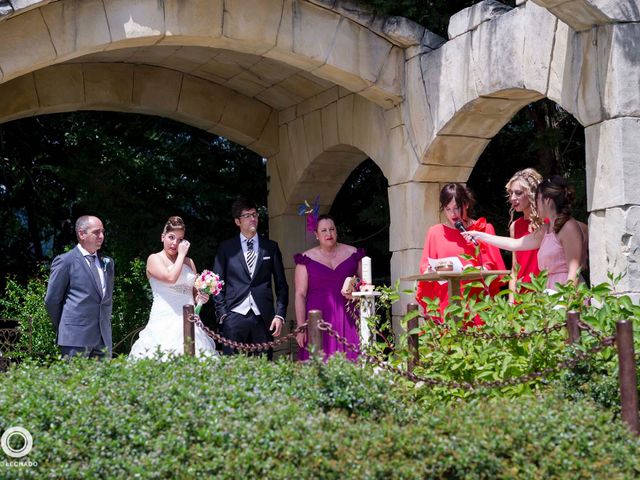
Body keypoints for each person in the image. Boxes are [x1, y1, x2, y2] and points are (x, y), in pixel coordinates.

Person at [461, 175, 588, 290]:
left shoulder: (568, 227)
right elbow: (515, 244)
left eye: (537, 199)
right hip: (550, 291)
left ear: (547, 200)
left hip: (567, 291)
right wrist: (480, 235)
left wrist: (566, 303)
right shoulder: (546, 229)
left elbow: (574, 270)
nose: (536, 204)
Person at [129, 216, 216, 359]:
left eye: (180, 239)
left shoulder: (190, 262)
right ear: (162, 237)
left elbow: (194, 293)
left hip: (190, 319)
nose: (175, 243)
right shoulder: (154, 259)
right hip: (164, 320)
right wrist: (182, 255)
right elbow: (170, 278)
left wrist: (201, 297)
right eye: (171, 237)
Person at [416, 183, 506, 319]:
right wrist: (430, 270)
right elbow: (424, 266)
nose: (453, 214)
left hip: (477, 302)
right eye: (447, 209)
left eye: (457, 208)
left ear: (466, 204)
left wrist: (475, 269)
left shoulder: (483, 230)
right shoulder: (434, 232)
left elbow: (493, 267)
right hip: (446, 302)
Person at [213, 197, 288, 358]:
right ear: (237, 221)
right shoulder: (226, 248)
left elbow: (282, 285)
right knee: (232, 369)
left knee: (262, 370)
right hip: (233, 315)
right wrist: (223, 314)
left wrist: (279, 315)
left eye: (254, 214)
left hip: (263, 317)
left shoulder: (271, 247)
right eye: (247, 215)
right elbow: (216, 283)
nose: (252, 219)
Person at [294, 215, 365, 361]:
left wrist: (357, 291)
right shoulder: (306, 259)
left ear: (336, 232)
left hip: (349, 316)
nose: (329, 234)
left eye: (332, 229)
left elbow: (366, 285)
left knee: (354, 359)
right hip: (318, 318)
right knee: (318, 363)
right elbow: (300, 295)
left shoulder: (353, 253)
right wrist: (301, 327)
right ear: (316, 235)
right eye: (324, 230)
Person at [45, 215, 114, 359]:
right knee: (75, 381)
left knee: (104, 381)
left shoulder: (107, 262)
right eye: (96, 232)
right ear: (81, 234)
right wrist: (67, 326)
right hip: (74, 338)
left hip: (103, 338)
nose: (101, 236)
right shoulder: (65, 261)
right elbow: (52, 301)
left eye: (103, 232)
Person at [505, 168, 543, 298]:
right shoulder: (515, 226)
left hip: (544, 292)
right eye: (510, 193)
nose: (512, 198)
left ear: (531, 193)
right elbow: (515, 271)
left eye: (518, 193)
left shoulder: (547, 222)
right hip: (521, 295)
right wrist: (511, 301)